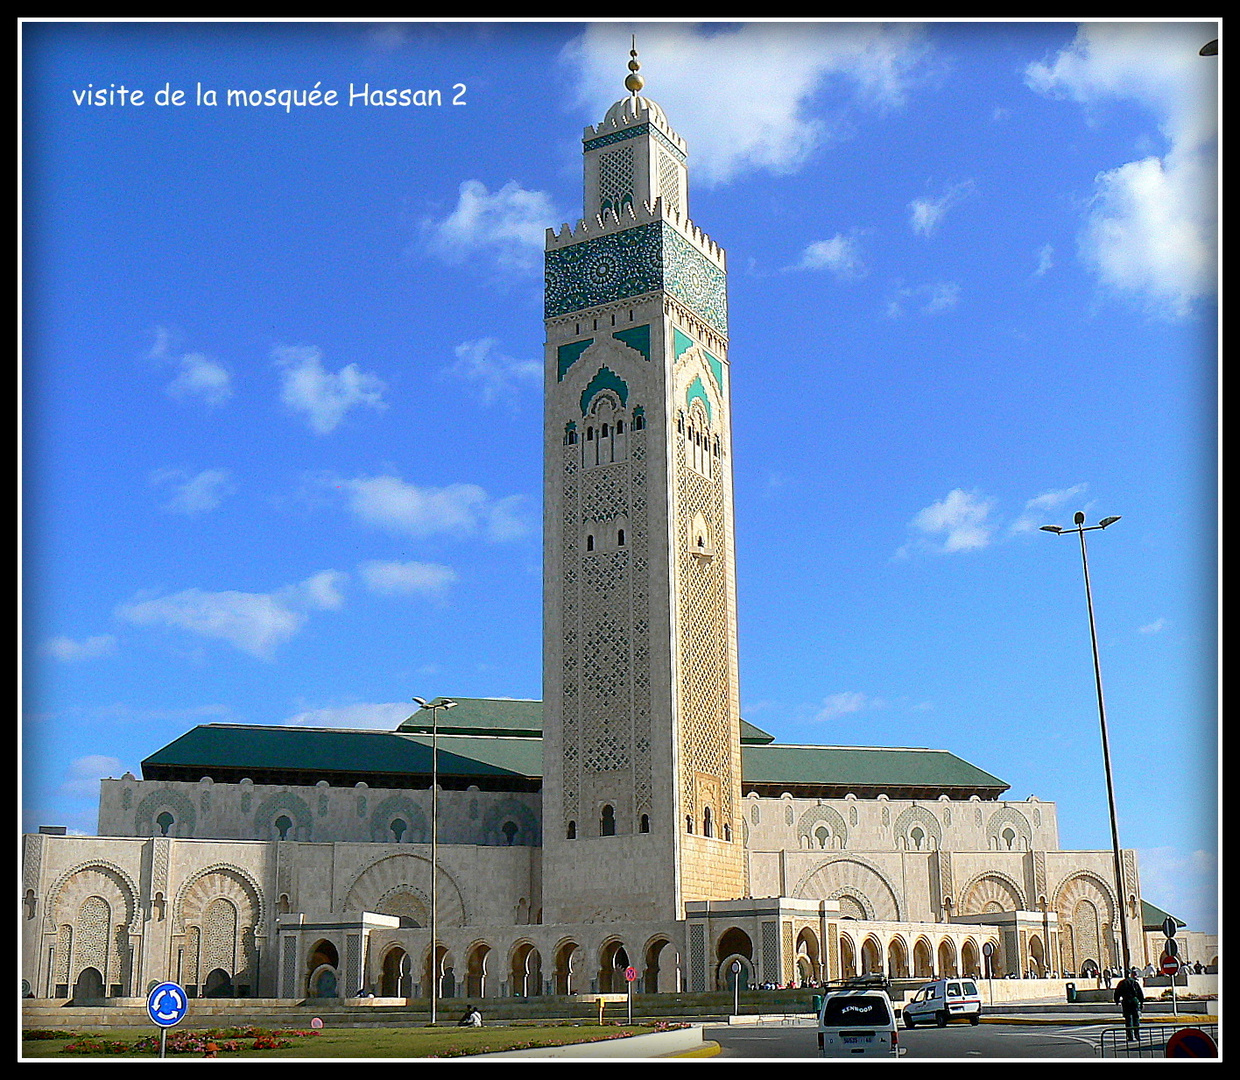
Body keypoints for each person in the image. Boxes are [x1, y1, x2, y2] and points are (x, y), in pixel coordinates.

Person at [1114, 969, 1144, 1040]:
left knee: (1128, 1019)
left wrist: (1117, 1001)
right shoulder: (1134, 982)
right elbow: (1140, 993)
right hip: (1134, 1001)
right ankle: (1137, 1035)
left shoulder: (1122, 983)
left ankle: (1130, 1036)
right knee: (1136, 1018)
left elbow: (1117, 992)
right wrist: (1141, 1002)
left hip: (1126, 1001)